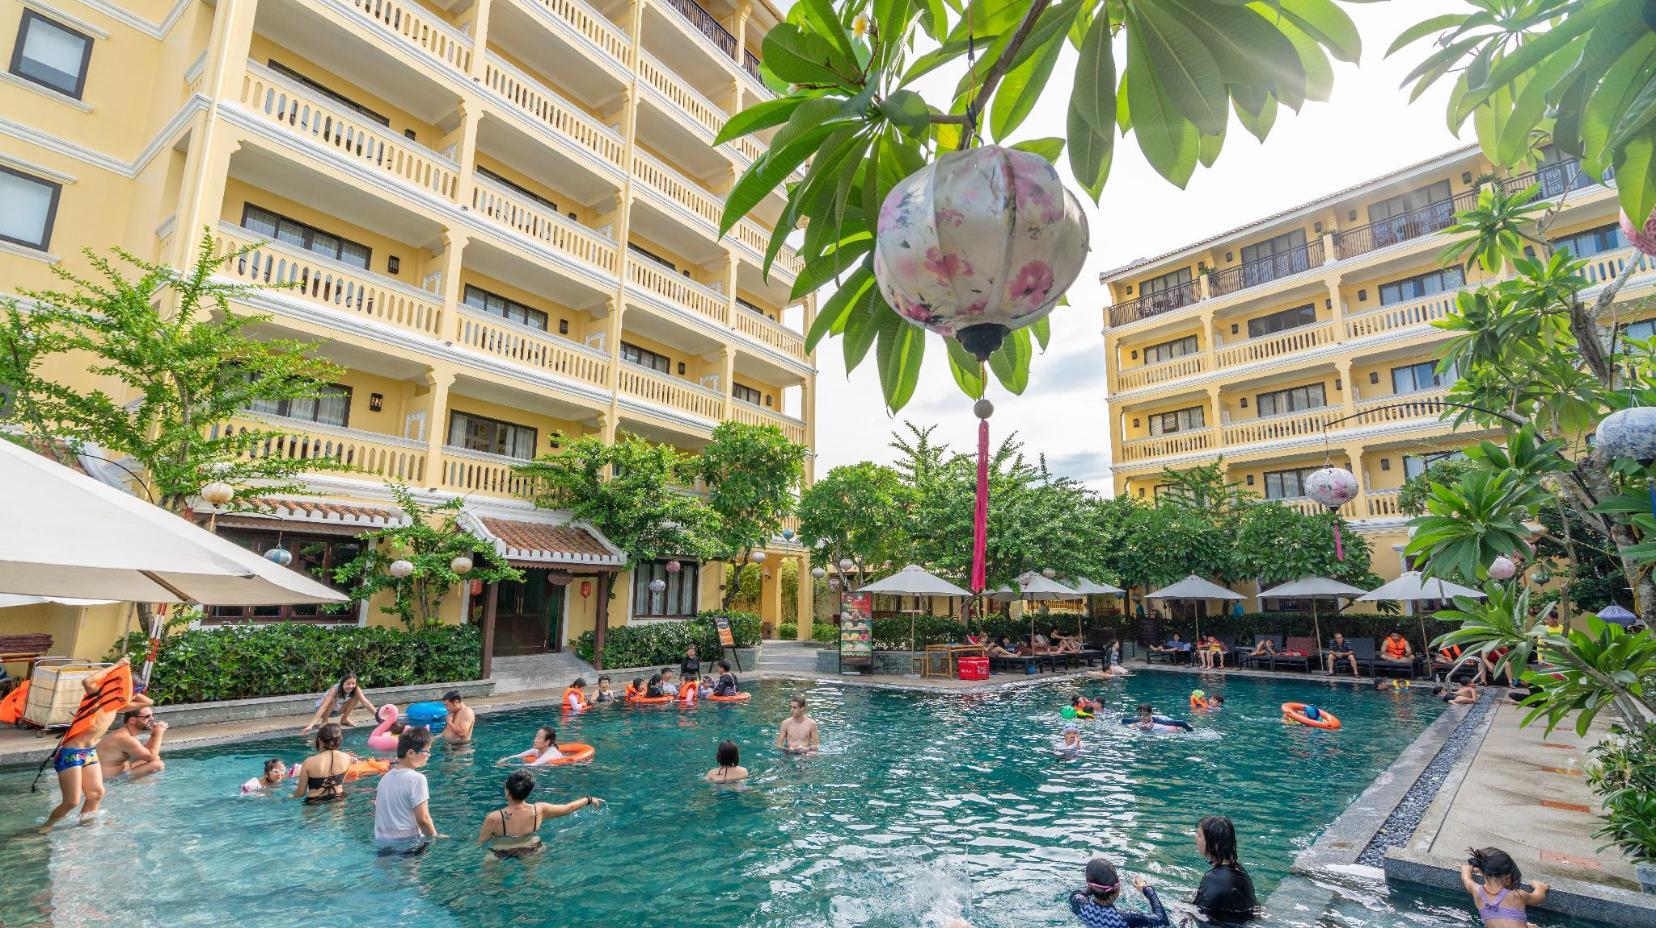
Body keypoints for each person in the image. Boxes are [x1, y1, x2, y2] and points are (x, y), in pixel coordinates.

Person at [42, 658, 146, 830]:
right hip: (71, 752)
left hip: (89, 752)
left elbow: (146, 702)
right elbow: (87, 681)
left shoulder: (117, 706)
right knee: (72, 801)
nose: (134, 695)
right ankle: (45, 828)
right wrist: (117, 668)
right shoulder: (97, 698)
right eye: (134, 691)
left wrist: (133, 684)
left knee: (96, 794)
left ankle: (85, 827)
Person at [477, 768, 602, 857]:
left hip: (501, 850)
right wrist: (589, 799)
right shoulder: (539, 810)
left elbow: (482, 842)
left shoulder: (494, 818)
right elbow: (567, 808)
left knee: (489, 880)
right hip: (531, 848)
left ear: (508, 791)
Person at [375, 728, 438, 851]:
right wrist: (435, 838)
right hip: (407, 842)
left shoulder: (385, 778)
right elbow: (423, 819)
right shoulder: (417, 779)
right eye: (427, 751)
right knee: (410, 870)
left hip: (382, 841)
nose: (428, 756)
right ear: (410, 753)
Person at [1067, 857, 1169, 927]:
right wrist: (1147, 889)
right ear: (1117, 889)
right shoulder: (1128, 918)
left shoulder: (1078, 903)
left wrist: (1092, 888)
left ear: (1089, 885)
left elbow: (1078, 893)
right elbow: (1162, 921)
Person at [1461, 846, 1546, 928]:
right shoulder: (1517, 896)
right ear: (1508, 877)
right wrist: (1540, 887)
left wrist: (1466, 869)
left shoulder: (1476, 891)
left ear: (1481, 871)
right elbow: (1539, 897)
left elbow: (1466, 879)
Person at [1193, 816, 1258, 923]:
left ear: (1215, 845)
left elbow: (1198, 916)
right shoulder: (1240, 869)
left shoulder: (1212, 879)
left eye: (1199, 835)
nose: (1196, 838)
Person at [96, 705, 168, 778]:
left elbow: (147, 753)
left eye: (152, 715)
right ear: (132, 720)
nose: (152, 719)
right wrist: (158, 733)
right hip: (112, 779)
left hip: (119, 772)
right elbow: (151, 756)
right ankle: (140, 787)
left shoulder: (124, 733)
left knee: (155, 759)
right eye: (147, 717)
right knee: (157, 765)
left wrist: (154, 734)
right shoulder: (124, 738)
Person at [293, 723, 355, 803]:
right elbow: (340, 782)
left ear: (319, 740)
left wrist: (290, 797)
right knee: (338, 816)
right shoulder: (346, 758)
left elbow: (300, 793)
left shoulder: (309, 762)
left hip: (314, 801)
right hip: (338, 797)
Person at [301, 672, 375, 733]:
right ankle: (325, 720)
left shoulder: (356, 689)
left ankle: (344, 719)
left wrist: (378, 715)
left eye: (353, 684)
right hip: (323, 711)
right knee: (332, 700)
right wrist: (311, 725)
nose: (351, 686)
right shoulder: (335, 689)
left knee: (357, 697)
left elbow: (366, 703)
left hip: (336, 710)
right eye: (348, 683)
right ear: (342, 683)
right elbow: (323, 707)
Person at [502, 726, 574, 767]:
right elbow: (519, 755)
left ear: (547, 741)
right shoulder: (537, 750)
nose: (535, 740)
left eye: (538, 738)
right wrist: (505, 759)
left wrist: (507, 765)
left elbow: (533, 765)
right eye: (536, 736)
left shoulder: (550, 754)